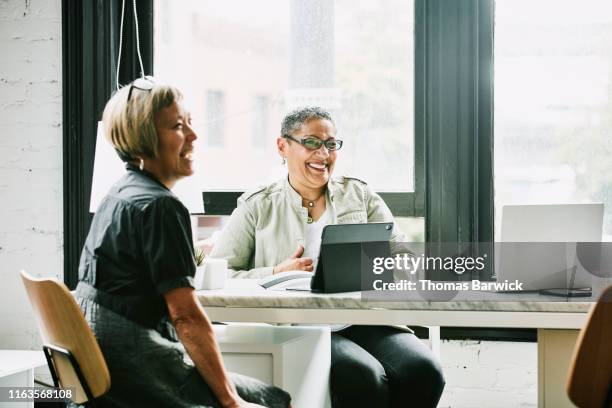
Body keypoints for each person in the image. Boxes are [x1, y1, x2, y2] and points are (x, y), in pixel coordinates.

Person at [74, 77, 291, 408]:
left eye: (190, 122)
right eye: (178, 126)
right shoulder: (161, 206)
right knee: (275, 400)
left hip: (103, 363)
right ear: (144, 138)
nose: (194, 135)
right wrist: (231, 401)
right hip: (134, 366)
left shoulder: (118, 194)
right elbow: (186, 317)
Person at [210, 107, 445, 408]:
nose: (323, 153)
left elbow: (403, 257)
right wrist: (273, 273)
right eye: (311, 143)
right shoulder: (257, 205)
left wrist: (373, 267)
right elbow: (221, 274)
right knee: (363, 376)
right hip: (300, 326)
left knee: (425, 371)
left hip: (365, 319)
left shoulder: (359, 194)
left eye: (331, 144)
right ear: (283, 146)